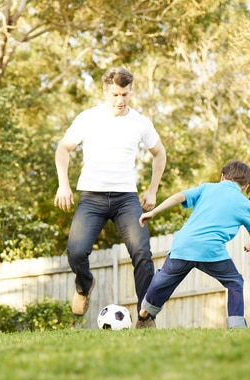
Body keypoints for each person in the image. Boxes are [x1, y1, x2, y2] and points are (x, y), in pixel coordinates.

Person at [54, 67, 167, 316]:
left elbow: (160, 154)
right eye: (115, 94)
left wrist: (152, 190)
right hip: (91, 197)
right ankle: (84, 286)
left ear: (130, 92)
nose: (120, 100)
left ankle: (146, 314)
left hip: (126, 198)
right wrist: (64, 184)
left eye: (125, 94)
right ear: (105, 91)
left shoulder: (140, 122)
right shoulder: (88, 118)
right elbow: (63, 149)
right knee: (76, 252)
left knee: (142, 252)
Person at [136, 160, 250, 329]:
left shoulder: (207, 188)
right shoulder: (244, 203)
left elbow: (179, 196)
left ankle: (145, 311)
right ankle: (237, 325)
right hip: (211, 252)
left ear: (222, 176)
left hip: (183, 247)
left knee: (164, 280)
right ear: (246, 186)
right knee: (234, 282)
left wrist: (154, 211)